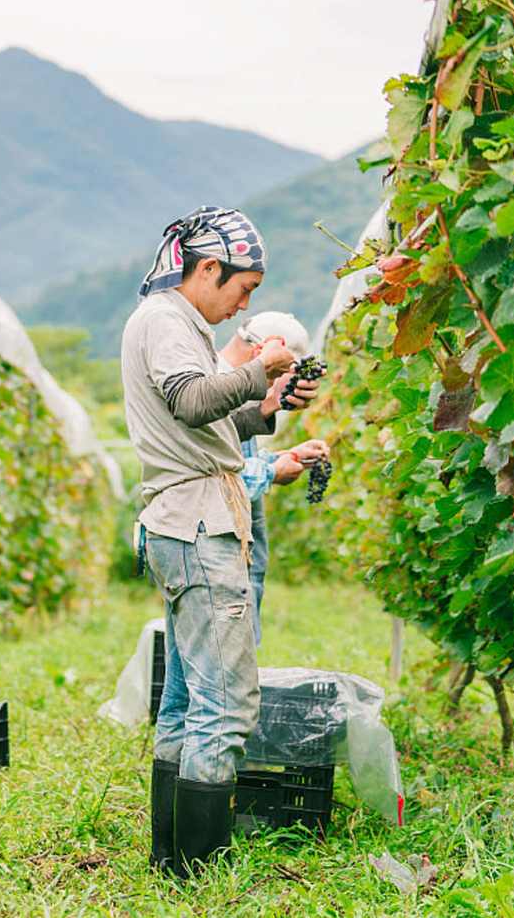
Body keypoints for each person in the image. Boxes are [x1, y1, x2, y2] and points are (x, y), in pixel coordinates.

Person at [120, 206, 314, 879]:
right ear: (208, 268)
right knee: (227, 702)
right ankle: (198, 871)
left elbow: (209, 421)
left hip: (187, 520)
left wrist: (266, 406)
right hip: (199, 527)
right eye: (243, 288)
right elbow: (191, 401)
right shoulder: (168, 322)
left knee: (185, 696)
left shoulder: (177, 324)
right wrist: (262, 367)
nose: (243, 306)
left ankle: (171, 858)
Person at [218, 312, 328, 635]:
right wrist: (270, 471)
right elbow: (213, 476)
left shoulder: (236, 390)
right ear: (262, 354)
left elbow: (234, 456)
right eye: (286, 372)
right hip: (223, 556)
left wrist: (286, 456)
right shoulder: (217, 386)